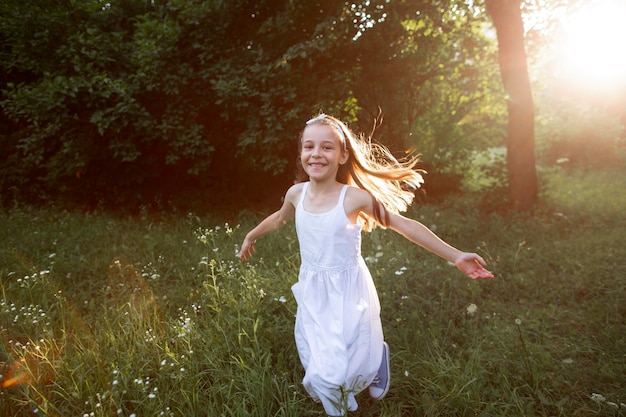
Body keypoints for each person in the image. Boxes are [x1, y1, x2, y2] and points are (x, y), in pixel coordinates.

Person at [238, 114, 493, 416]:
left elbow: (403, 225)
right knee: (322, 368)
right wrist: (252, 234)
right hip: (314, 287)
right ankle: (339, 391)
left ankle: (375, 362)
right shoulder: (297, 193)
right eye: (309, 146)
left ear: (343, 155)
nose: (316, 154)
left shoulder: (354, 198)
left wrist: (455, 256)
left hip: (349, 287)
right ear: (301, 152)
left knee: (353, 352)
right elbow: (280, 218)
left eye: (327, 147)